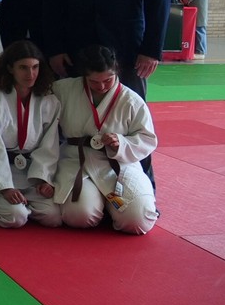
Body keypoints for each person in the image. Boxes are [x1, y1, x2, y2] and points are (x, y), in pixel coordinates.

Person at [42, 0, 170, 185]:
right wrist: (55, 49)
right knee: (74, 120)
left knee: (133, 121)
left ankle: (143, 188)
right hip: (77, 51)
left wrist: (151, 49)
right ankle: (77, 185)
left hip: (128, 52)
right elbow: (52, 2)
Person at [46, 45, 158, 234]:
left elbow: (147, 138)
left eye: (108, 80)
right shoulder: (63, 90)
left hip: (119, 164)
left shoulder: (131, 100)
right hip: (76, 161)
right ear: (83, 75)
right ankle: (103, 205)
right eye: (94, 81)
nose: (102, 86)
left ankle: (109, 205)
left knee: (138, 221)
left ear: (117, 71)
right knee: (79, 216)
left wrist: (121, 143)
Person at [0, 40, 62, 229]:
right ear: (10, 68)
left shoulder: (48, 100)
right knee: (16, 217)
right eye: (23, 68)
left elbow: (49, 145)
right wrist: (4, 187)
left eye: (35, 67)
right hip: (0, 172)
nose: (30, 74)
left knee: (53, 217)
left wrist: (43, 179)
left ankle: (23, 205)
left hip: (30, 173)